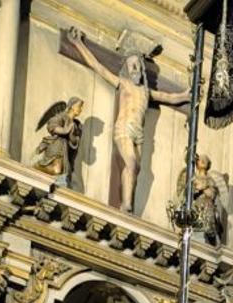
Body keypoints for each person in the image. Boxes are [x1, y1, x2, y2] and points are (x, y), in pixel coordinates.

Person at [65, 28, 189, 213]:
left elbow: (169, 97)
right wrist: (78, 44)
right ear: (126, 68)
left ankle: (127, 200)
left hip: (138, 133)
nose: (136, 68)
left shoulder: (146, 92)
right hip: (123, 127)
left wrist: (186, 95)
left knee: (136, 168)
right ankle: (126, 205)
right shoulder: (123, 84)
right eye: (132, 65)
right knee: (130, 163)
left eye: (138, 65)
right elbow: (98, 67)